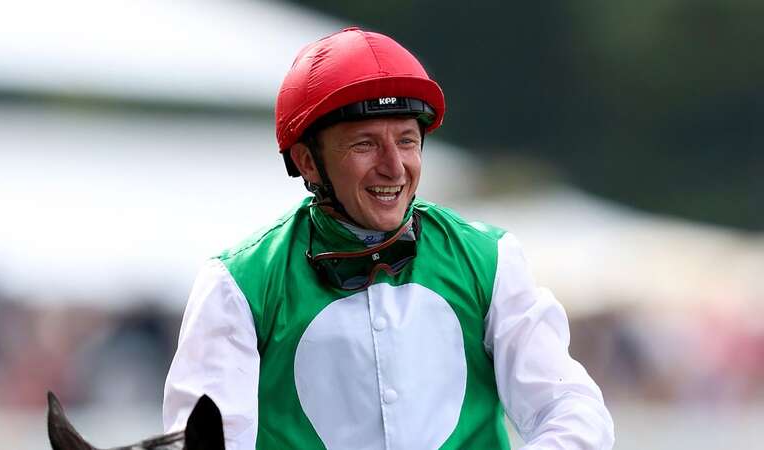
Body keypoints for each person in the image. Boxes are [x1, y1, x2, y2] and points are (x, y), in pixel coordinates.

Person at [163, 27, 615, 449]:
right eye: (365, 144)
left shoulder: (490, 259)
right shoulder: (236, 283)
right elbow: (206, 441)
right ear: (307, 162)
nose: (394, 167)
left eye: (406, 141)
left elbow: (569, 407)